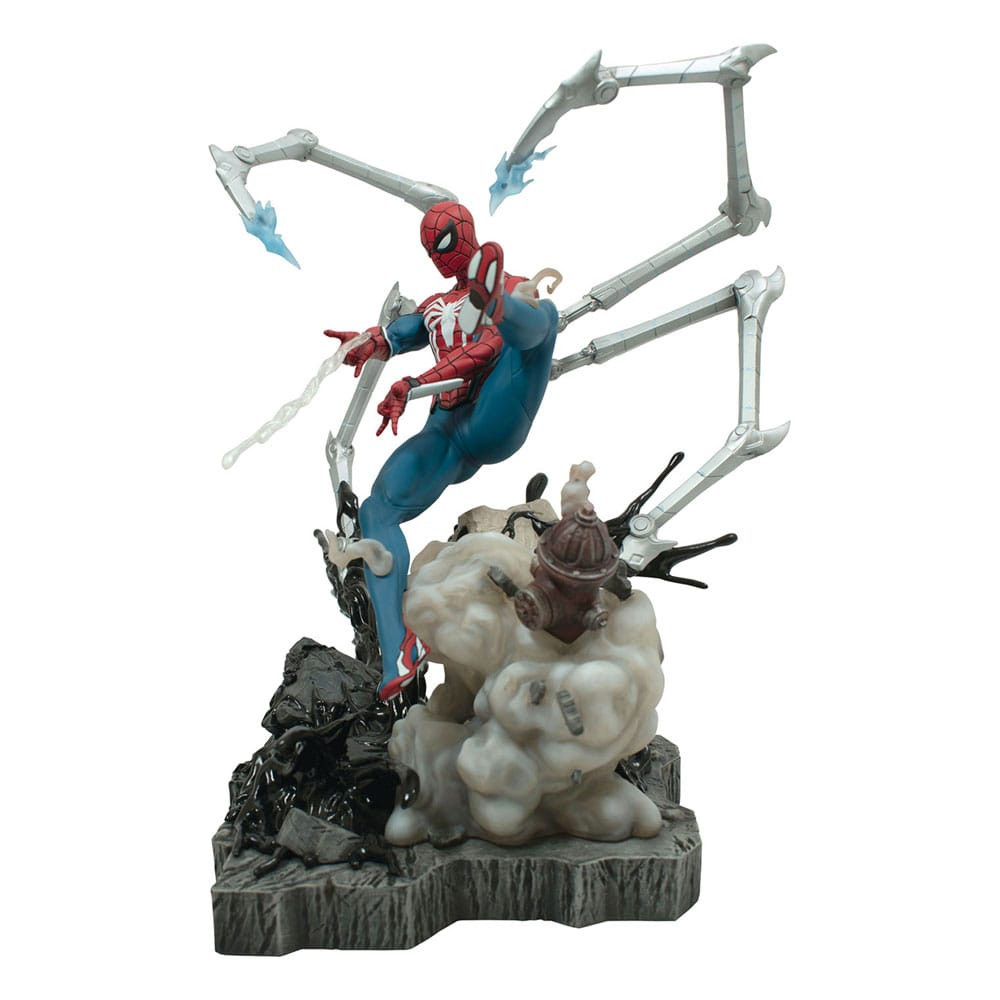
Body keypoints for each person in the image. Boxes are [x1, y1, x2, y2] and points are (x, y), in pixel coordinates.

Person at [326, 200, 559, 699]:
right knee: (378, 509)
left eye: (445, 243)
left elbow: (484, 349)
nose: (437, 256)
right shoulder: (434, 305)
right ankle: (399, 651)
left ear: (468, 232)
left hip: (497, 405)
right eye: (430, 249)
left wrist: (416, 382)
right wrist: (368, 342)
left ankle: (499, 303)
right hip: (448, 428)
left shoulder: (515, 283)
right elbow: (399, 334)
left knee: (541, 317)